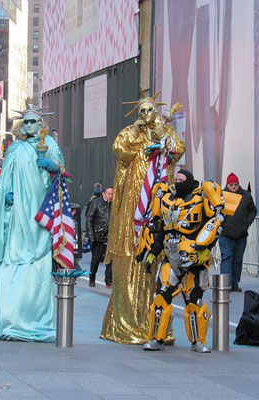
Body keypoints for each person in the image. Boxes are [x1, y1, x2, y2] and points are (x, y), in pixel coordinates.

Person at [100, 92, 185, 344]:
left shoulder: (165, 134)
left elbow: (178, 150)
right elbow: (120, 150)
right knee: (130, 260)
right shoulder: (129, 133)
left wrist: (160, 131)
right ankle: (127, 324)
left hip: (158, 211)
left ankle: (157, 325)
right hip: (131, 212)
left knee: (158, 266)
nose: (147, 115)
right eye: (143, 111)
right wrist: (136, 132)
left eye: (151, 110)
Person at [137, 170, 240, 352]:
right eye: (175, 180)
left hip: (195, 258)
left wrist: (205, 249)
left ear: (189, 180)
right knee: (161, 298)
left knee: (194, 301)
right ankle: (156, 339)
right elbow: (161, 229)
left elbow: (215, 225)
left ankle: (198, 341)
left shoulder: (201, 198)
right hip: (171, 256)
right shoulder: (167, 197)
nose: (177, 182)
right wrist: (153, 252)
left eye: (181, 180)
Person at [0, 108, 64, 342]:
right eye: (25, 121)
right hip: (17, 214)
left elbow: (60, 169)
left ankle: (33, 319)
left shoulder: (48, 142)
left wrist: (49, 164)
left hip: (39, 213)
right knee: (11, 265)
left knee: (36, 266)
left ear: (41, 123)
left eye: (33, 122)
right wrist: (7, 195)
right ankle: (10, 319)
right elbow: (5, 177)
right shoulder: (15, 148)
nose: (28, 125)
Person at [219, 172, 257, 292]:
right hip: (225, 233)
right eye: (231, 185)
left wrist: (247, 223)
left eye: (235, 184)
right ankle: (225, 284)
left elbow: (253, 210)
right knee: (226, 257)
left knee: (237, 260)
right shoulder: (221, 195)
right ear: (227, 184)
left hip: (241, 233)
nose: (234, 187)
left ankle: (234, 283)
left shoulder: (246, 195)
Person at [86, 186, 113, 288]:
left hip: (110, 236)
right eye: (109, 194)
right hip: (98, 236)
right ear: (103, 194)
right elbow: (89, 219)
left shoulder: (114, 204)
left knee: (110, 260)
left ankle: (108, 280)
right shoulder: (96, 203)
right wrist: (91, 236)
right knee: (96, 259)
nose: (110, 196)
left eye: (112, 194)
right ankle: (92, 277)